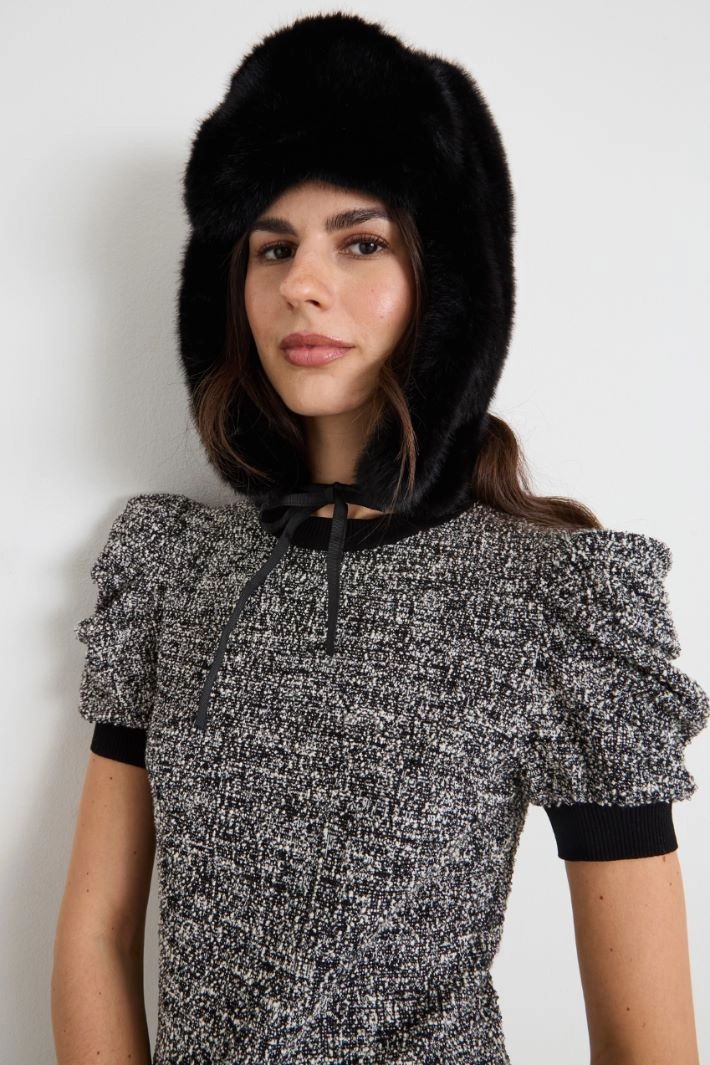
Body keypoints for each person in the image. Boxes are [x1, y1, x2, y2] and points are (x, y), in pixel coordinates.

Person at [51, 12, 709, 1064]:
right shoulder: (174, 571)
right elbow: (95, 929)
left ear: (443, 282)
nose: (300, 284)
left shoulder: (555, 601)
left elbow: (648, 1045)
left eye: (360, 242)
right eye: (273, 248)